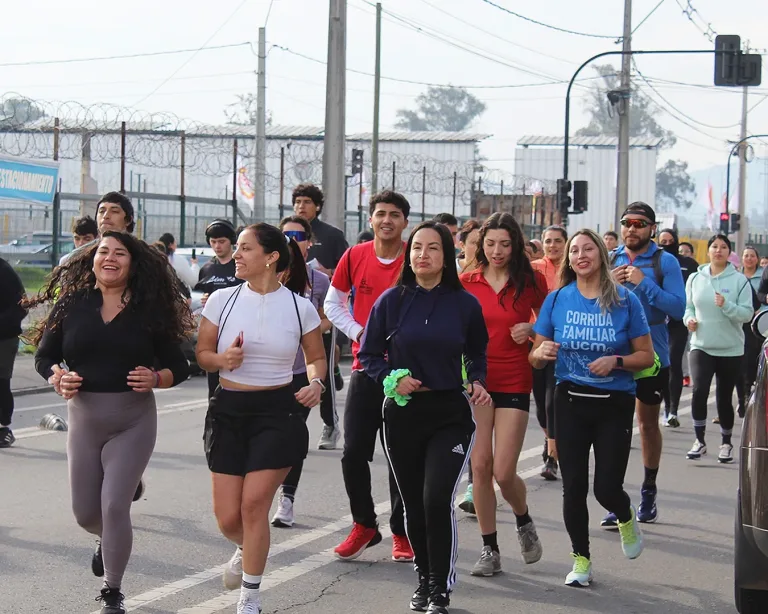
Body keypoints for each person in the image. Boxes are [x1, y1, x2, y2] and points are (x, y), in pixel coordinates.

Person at [31, 231, 191, 614]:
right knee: (88, 514)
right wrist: (57, 376)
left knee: (115, 507)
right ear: (92, 260)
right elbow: (43, 357)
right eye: (103, 251)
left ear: (132, 264)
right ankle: (108, 537)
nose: (110, 258)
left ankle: (113, 592)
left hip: (132, 421)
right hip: (84, 418)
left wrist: (157, 378)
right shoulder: (72, 303)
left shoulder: (149, 308)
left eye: (120, 253)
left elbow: (181, 366)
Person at [358, 221, 490, 614]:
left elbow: (477, 353)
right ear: (408, 254)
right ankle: (423, 578)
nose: (423, 255)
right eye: (417, 247)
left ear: (446, 256)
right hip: (402, 415)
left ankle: (440, 587)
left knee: (436, 499)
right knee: (413, 504)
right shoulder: (391, 301)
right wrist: (391, 380)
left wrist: (478, 380)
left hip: (449, 412)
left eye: (433, 248)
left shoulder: (464, 304)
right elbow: (367, 357)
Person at [195, 223, 327, 614]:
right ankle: (244, 546)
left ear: (270, 257)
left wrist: (317, 383)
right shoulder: (221, 300)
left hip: (278, 412)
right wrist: (223, 360)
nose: (236, 255)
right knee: (228, 517)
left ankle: (250, 596)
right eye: (236, 248)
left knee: (254, 506)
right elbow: (202, 353)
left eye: (245, 248)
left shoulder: (300, 307)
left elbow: (316, 358)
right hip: (229, 411)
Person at [531, 228, 653, 588]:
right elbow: (535, 357)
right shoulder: (557, 300)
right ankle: (580, 559)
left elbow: (646, 357)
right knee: (574, 487)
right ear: (569, 259)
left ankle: (626, 515)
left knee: (606, 489)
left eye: (588, 249)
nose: (580, 255)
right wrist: (540, 352)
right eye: (574, 250)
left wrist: (616, 361)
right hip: (570, 401)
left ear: (600, 254)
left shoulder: (626, 301)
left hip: (614, 403)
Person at [323, 190, 413, 562]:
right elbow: (333, 302)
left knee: (401, 456)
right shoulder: (355, 256)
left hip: (408, 373)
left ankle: (402, 531)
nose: (387, 220)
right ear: (371, 219)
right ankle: (364, 524)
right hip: (365, 367)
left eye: (394, 214)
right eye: (380, 214)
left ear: (404, 222)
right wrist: (361, 333)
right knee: (354, 451)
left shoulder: (416, 257)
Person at [460, 212, 547, 578]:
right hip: (476, 382)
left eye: (504, 244)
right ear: (481, 244)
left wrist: (532, 329)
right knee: (480, 466)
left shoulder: (531, 280)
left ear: (515, 245)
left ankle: (523, 519)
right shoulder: (466, 281)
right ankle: (489, 549)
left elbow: (550, 322)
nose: (497, 251)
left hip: (514, 378)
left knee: (504, 471)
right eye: (490, 243)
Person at [601, 203, 685, 529]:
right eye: (627, 223)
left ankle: (648, 489)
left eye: (639, 224)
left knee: (647, 424)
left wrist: (643, 282)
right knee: (616, 427)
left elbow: (677, 308)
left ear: (651, 228)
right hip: (615, 355)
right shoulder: (611, 258)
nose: (632, 229)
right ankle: (616, 499)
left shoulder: (665, 261)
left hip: (653, 356)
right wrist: (608, 280)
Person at [271, 215, 332, 528]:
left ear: (310, 242)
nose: (292, 240)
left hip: (300, 370)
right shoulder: (265, 275)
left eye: (298, 235)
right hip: (268, 373)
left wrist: (307, 330)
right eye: (285, 234)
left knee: (291, 435)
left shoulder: (318, 281)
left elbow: (327, 319)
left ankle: (287, 499)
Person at [683, 234, 754, 463]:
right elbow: (689, 308)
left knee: (724, 397)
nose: (718, 250)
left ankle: (726, 442)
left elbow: (747, 314)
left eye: (724, 247)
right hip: (701, 345)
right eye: (714, 246)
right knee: (699, 390)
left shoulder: (739, 280)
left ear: (729, 252)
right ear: (709, 251)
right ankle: (699, 441)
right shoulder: (695, 278)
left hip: (730, 348)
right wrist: (689, 320)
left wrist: (727, 305)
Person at [293, 183, 348, 433]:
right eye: (297, 202)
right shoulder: (286, 230)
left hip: (322, 308)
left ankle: (330, 423)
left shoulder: (332, 235)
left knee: (320, 371)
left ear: (317, 206)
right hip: (292, 321)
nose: (301, 206)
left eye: (306, 202)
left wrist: (329, 273)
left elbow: (347, 273)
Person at [531, 225, 568, 480]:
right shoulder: (533, 269)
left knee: (552, 400)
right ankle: (549, 442)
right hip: (534, 344)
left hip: (562, 345)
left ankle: (552, 457)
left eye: (557, 241)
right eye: (548, 241)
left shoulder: (572, 269)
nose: (552, 245)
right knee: (541, 409)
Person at [195, 219, 243, 398]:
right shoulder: (207, 268)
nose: (217, 246)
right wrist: (206, 300)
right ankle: (214, 422)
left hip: (237, 329)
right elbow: (202, 295)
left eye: (221, 241)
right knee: (214, 387)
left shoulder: (240, 265)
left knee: (236, 383)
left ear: (231, 241)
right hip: (212, 332)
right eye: (213, 242)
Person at [657, 228, 698, 427]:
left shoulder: (688, 264)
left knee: (673, 362)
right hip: (655, 322)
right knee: (656, 364)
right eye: (661, 241)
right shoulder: (652, 262)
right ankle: (657, 405)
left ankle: (671, 410)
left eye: (669, 241)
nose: (665, 244)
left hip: (677, 321)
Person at [0, 257, 26, 448]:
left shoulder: (4, 272)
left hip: (4, 337)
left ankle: (4, 427)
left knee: (1, 381)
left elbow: (21, 305)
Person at [736, 246, 764, 417]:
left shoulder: (763, 276)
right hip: (742, 323)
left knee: (756, 358)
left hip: (761, 323)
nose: (749, 259)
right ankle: (744, 398)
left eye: (752, 256)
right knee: (743, 360)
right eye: (746, 256)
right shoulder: (737, 278)